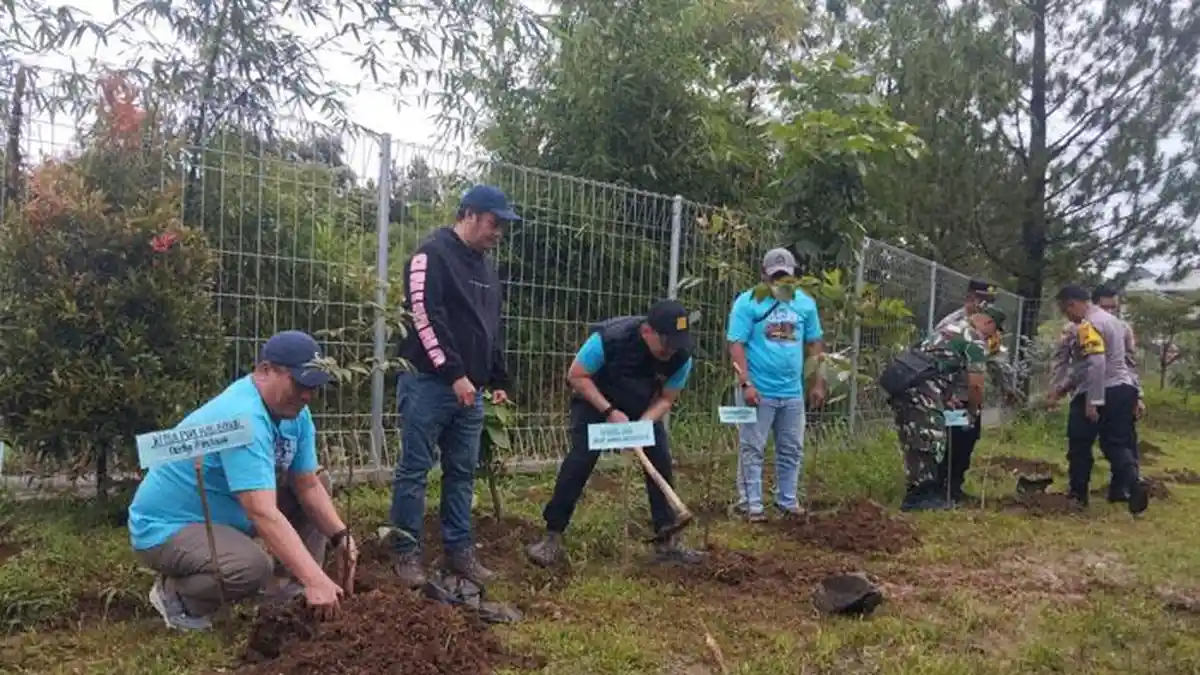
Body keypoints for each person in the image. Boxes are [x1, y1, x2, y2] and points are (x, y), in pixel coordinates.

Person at [128, 330, 357, 631]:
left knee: (320, 481)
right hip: (169, 526)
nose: (306, 395)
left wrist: (341, 536)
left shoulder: (295, 414)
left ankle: (288, 591)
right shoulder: (243, 417)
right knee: (251, 567)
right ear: (265, 370)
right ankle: (177, 596)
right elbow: (261, 511)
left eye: (313, 387)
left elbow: (308, 484)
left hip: (225, 514)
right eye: (299, 384)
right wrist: (316, 578)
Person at [389, 184, 517, 588]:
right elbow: (425, 318)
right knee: (415, 470)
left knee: (462, 472)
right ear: (469, 214)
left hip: (471, 390)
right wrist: (454, 374)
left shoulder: (486, 268)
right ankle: (406, 551)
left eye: (503, 226)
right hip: (429, 383)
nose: (498, 233)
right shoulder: (430, 255)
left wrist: (496, 377)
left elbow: (490, 327)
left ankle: (460, 550)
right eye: (494, 223)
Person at [525, 299, 706, 567]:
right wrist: (609, 411)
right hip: (596, 402)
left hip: (642, 408)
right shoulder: (611, 339)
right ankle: (552, 535)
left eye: (677, 344)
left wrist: (642, 426)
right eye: (666, 343)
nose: (671, 351)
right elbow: (577, 375)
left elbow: (666, 399)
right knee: (580, 460)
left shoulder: (681, 356)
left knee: (660, 460)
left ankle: (668, 540)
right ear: (648, 331)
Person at [725, 248, 826, 521]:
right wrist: (746, 383)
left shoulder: (805, 304)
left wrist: (818, 382)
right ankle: (751, 504)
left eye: (785, 277)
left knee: (791, 448)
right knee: (752, 448)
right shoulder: (748, 302)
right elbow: (736, 344)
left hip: (792, 391)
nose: (780, 282)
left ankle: (787, 502)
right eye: (775, 276)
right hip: (759, 390)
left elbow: (814, 342)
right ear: (763, 275)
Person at [880, 305, 1006, 511]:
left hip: (908, 386)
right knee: (929, 439)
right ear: (988, 322)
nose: (992, 336)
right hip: (921, 391)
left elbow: (936, 363)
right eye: (994, 330)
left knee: (920, 438)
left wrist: (947, 397)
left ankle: (931, 492)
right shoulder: (973, 340)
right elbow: (976, 385)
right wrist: (973, 410)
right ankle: (919, 497)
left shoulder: (948, 329)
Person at [1045, 285, 1147, 514]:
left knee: (1079, 442)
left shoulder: (1087, 325)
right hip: (1123, 388)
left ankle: (1078, 494)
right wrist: (1137, 393)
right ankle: (1134, 482)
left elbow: (1095, 363)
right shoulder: (1116, 323)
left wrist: (1093, 400)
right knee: (1116, 443)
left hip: (1100, 389)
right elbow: (1126, 361)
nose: (1067, 316)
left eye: (1065, 310)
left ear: (1072, 304)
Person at [930, 279, 1021, 504]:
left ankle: (955, 487)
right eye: (982, 300)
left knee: (968, 438)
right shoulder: (951, 324)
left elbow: (997, 362)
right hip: (952, 395)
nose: (985, 305)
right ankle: (941, 488)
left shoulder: (988, 328)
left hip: (968, 394)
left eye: (990, 301)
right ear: (970, 298)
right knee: (953, 439)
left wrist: (1007, 389)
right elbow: (935, 358)